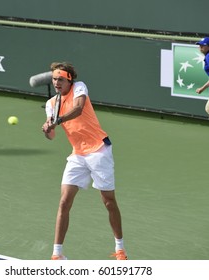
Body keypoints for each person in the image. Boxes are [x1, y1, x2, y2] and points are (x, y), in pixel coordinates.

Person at [41, 62, 127, 260]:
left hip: (99, 150)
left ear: (69, 79)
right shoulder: (51, 104)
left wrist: (58, 120)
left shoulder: (80, 88)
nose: (56, 83)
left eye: (60, 79)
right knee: (64, 201)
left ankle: (120, 249)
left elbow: (79, 109)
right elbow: (52, 135)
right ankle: (57, 254)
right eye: (54, 79)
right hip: (78, 155)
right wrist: (48, 129)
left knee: (108, 201)